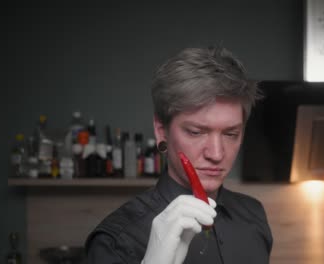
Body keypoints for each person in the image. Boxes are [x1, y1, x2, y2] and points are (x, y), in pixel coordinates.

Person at [85, 46, 273, 264]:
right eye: (196, 132)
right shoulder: (115, 241)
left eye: (231, 133)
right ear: (160, 130)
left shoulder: (254, 214)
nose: (216, 153)